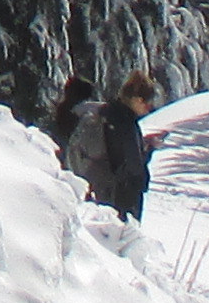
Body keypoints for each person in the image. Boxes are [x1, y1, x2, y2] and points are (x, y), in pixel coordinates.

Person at [69, 67, 162, 223]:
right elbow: (133, 169)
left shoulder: (108, 113)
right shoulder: (125, 122)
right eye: (148, 103)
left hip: (99, 192)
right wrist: (148, 151)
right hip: (119, 199)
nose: (149, 108)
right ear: (138, 99)